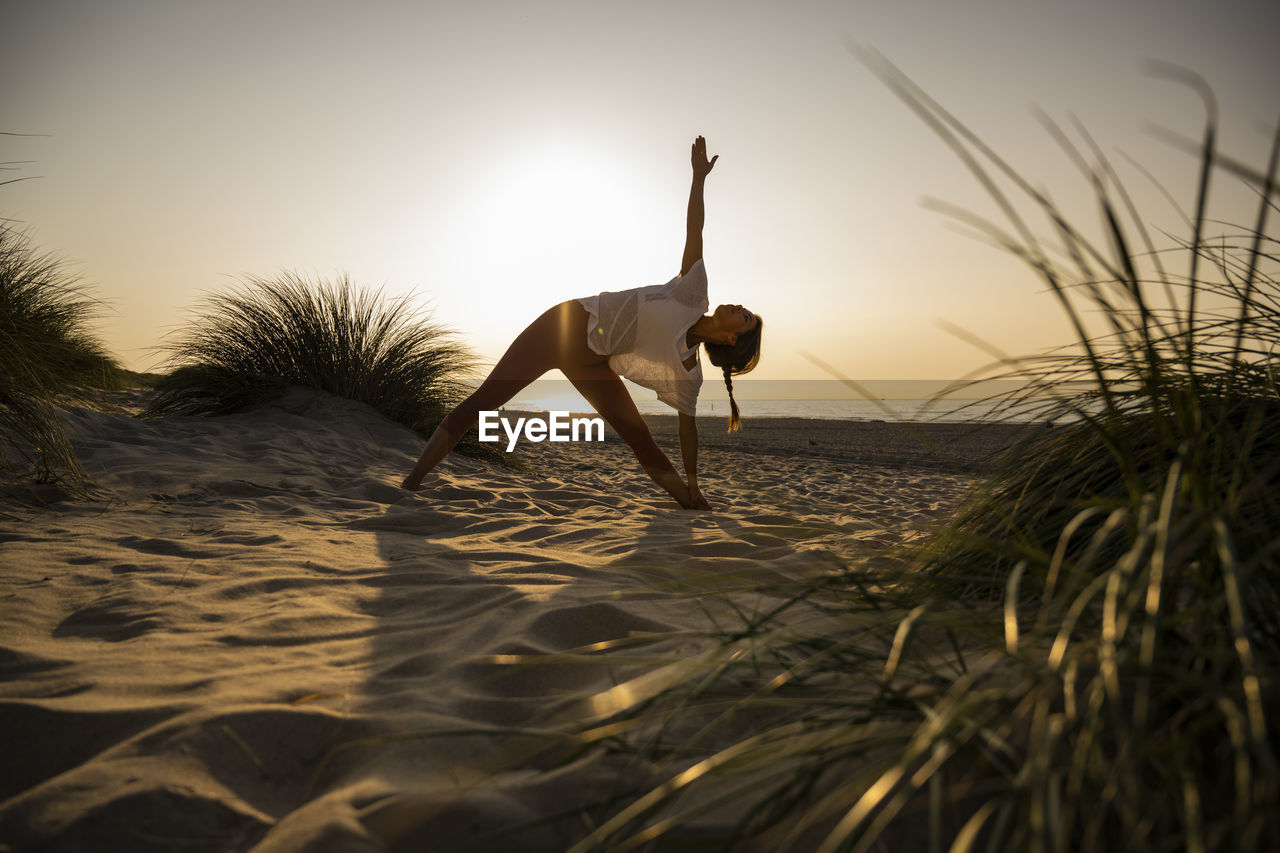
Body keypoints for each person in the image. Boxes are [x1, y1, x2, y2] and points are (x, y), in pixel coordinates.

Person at [401, 136, 763, 509]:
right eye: (743, 309)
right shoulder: (692, 293)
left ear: (734, 340)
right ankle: (412, 482)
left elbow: (688, 429)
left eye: (745, 317)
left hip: (590, 364)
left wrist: (694, 484)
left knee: (641, 440)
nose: (738, 307)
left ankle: (691, 504)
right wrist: (698, 178)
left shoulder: (690, 372)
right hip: (563, 327)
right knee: (483, 402)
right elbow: (695, 230)